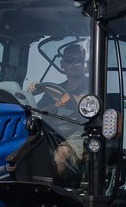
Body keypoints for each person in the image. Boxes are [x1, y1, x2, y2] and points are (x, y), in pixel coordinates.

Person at [26, 42, 90, 182]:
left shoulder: (93, 86)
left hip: (80, 136)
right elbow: (38, 112)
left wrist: (46, 88)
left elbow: (82, 102)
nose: (75, 64)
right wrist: (31, 91)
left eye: (79, 60)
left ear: (84, 63)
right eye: (69, 60)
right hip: (52, 134)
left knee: (62, 154)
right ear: (62, 64)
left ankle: (62, 190)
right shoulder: (52, 91)